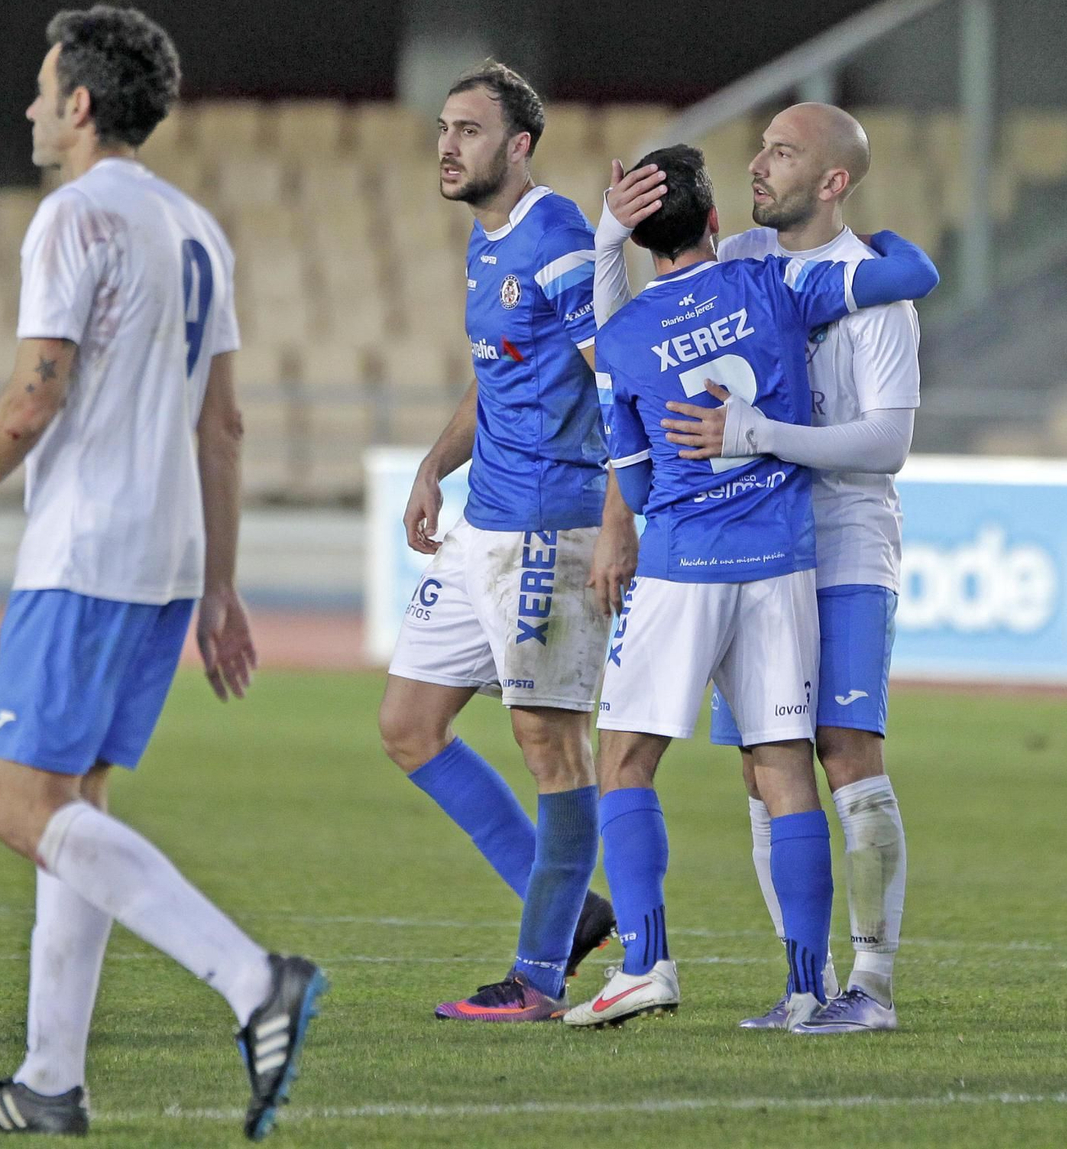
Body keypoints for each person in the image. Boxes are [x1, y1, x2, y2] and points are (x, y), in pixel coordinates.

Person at [0, 7, 323, 1140]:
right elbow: (222, 426)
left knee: (26, 810)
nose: (30, 107)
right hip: (165, 559)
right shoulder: (195, 227)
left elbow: (35, 394)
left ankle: (249, 976)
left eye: (40, 90)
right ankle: (49, 1081)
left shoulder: (72, 217)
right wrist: (218, 585)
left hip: (84, 549)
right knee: (74, 806)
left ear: (79, 103)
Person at [562, 145, 937, 1030]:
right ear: (717, 223)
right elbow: (911, 272)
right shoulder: (772, 285)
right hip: (783, 559)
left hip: (687, 560)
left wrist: (605, 238)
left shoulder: (620, 334)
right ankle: (809, 985)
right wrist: (883, 239)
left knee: (622, 756)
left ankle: (647, 962)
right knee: (780, 765)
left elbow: (641, 479)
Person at [378, 60, 635, 1023]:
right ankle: (570, 916)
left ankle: (537, 977)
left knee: (550, 747)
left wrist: (619, 519)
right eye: (443, 128)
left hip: (549, 524)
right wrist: (431, 467)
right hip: (481, 516)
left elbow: (614, 379)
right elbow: (497, 375)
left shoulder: (560, 238)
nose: (448, 146)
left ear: (519, 146)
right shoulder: (489, 246)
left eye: (470, 131)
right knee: (408, 724)